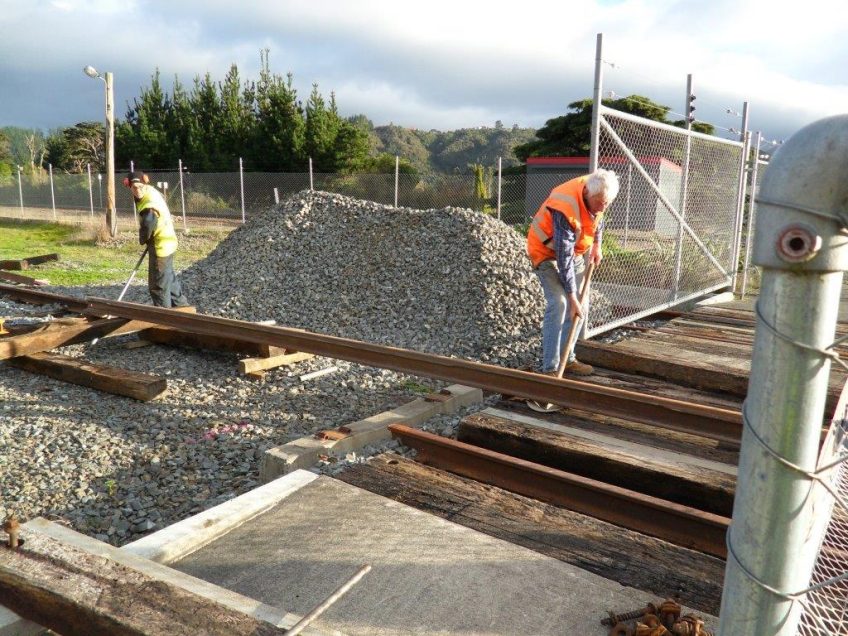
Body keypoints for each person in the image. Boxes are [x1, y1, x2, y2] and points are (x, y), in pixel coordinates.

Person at [526, 168, 620, 384]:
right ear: (587, 193)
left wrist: (597, 244)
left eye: (607, 203)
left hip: (574, 252)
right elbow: (563, 258)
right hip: (546, 251)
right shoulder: (565, 207)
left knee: (582, 307)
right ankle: (549, 368)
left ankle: (567, 359)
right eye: (600, 202)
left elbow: (599, 217)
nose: (603, 207)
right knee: (559, 303)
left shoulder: (601, 191)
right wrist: (572, 297)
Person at [125, 170, 190, 308]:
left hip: (160, 246)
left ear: (145, 184)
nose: (138, 191)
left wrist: (143, 239)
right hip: (169, 242)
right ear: (129, 186)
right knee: (169, 279)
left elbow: (148, 223)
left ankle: (163, 320)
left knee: (158, 286)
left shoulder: (149, 203)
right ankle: (182, 309)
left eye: (140, 187)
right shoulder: (151, 192)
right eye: (134, 188)